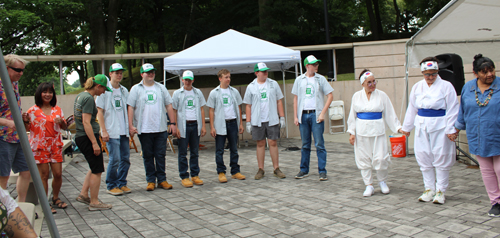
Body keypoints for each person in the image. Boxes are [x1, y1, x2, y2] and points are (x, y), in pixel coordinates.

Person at [400, 57, 459, 204]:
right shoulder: (417, 87)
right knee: (424, 156)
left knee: (441, 156)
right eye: (427, 74)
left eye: (433, 74)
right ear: (422, 73)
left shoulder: (446, 86)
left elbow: (453, 109)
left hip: (441, 125)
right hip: (422, 124)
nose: (430, 77)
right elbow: (412, 108)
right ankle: (429, 188)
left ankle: (441, 191)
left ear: (438, 72)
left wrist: (452, 129)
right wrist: (407, 127)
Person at [454, 54, 500, 216]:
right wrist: (456, 128)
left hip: (497, 134)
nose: (489, 74)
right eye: (484, 71)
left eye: (491, 70)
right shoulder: (468, 87)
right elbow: (463, 110)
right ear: (475, 73)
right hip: (478, 135)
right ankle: (496, 202)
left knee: (499, 168)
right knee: (487, 170)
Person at [347, 70, 403, 196]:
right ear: (363, 84)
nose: (372, 84)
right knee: (363, 159)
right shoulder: (356, 96)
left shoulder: (382, 95)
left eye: (374, 81)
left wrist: (398, 128)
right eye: (369, 82)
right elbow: (352, 116)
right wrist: (352, 132)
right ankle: (369, 185)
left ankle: (382, 182)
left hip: (378, 131)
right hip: (362, 132)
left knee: (381, 157)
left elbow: (389, 113)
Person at [127, 63, 177, 191]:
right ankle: (150, 180)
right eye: (148, 72)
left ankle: (162, 180)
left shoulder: (161, 88)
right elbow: (130, 107)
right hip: (144, 129)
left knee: (161, 155)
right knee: (148, 155)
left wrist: (173, 123)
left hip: (160, 128)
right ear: (142, 74)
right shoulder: (135, 89)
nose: (151, 74)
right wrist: (130, 125)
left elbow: (169, 105)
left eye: (152, 72)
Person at [23, 83, 68, 214]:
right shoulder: (32, 110)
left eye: (50, 92)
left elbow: (65, 127)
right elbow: (27, 129)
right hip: (39, 147)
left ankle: (55, 197)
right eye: (45, 92)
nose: (48, 94)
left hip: (55, 146)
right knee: (43, 176)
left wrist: (62, 122)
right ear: (39, 93)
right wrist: (25, 121)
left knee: (58, 174)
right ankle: (45, 203)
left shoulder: (57, 109)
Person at [74, 75, 113, 211]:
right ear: (98, 86)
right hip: (87, 137)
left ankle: (84, 194)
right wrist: (94, 143)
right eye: (103, 89)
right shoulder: (89, 99)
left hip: (80, 136)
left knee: (94, 166)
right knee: (97, 170)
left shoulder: (80, 96)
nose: (103, 92)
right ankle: (94, 202)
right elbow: (86, 122)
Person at [292, 55, 333, 181]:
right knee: (305, 144)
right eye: (314, 64)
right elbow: (296, 98)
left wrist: (322, 113)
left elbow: (330, 95)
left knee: (319, 143)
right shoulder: (299, 80)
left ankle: (322, 171)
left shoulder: (321, 79)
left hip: (316, 115)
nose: (316, 66)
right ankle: (304, 170)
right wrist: (295, 116)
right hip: (303, 115)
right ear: (307, 66)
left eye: (317, 64)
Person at [243, 62, 286, 180]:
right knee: (260, 143)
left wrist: (281, 117)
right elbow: (248, 105)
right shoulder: (251, 86)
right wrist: (248, 122)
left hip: (271, 118)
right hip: (258, 120)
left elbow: (279, 101)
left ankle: (276, 168)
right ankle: (261, 169)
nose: (265, 73)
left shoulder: (273, 84)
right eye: (263, 71)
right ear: (256, 73)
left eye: (266, 70)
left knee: (273, 142)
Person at [96, 63, 131, 196]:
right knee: (114, 159)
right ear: (110, 74)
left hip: (123, 131)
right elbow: (99, 111)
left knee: (126, 159)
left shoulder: (124, 90)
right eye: (116, 72)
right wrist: (103, 130)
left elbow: (128, 109)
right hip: (111, 131)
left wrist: (130, 127)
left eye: (121, 72)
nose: (119, 75)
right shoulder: (104, 90)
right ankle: (111, 184)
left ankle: (122, 182)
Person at [0, 54, 30, 203]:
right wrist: (6, 122)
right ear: (6, 68)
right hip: (3, 137)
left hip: (18, 137)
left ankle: (21, 205)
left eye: (22, 70)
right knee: (3, 176)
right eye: (18, 70)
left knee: (26, 171)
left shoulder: (14, 84)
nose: (21, 73)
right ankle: (4, 211)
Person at [207, 69, 246, 183]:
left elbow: (239, 107)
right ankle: (221, 172)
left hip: (233, 122)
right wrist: (212, 127)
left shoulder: (234, 91)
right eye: (226, 77)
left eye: (229, 77)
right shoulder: (214, 92)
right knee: (219, 149)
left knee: (234, 148)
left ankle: (235, 171)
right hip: (220, 124)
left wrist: (240, 123)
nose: (228, 79)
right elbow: (211, 110)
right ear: (220, 78)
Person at [172, 70, 206, 188]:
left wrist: (203, 126)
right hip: (183, 125)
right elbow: (174, 110)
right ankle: (184, 176)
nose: (187, 82)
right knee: (182, 152)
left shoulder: (197, 92)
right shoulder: (177, 93)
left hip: (195, 124)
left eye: (189, 80)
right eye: (185, 79)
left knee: (195, 152)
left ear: (193, 80)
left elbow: (202, 109)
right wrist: (176, 126)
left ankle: (195, 175)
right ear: (182, 80)